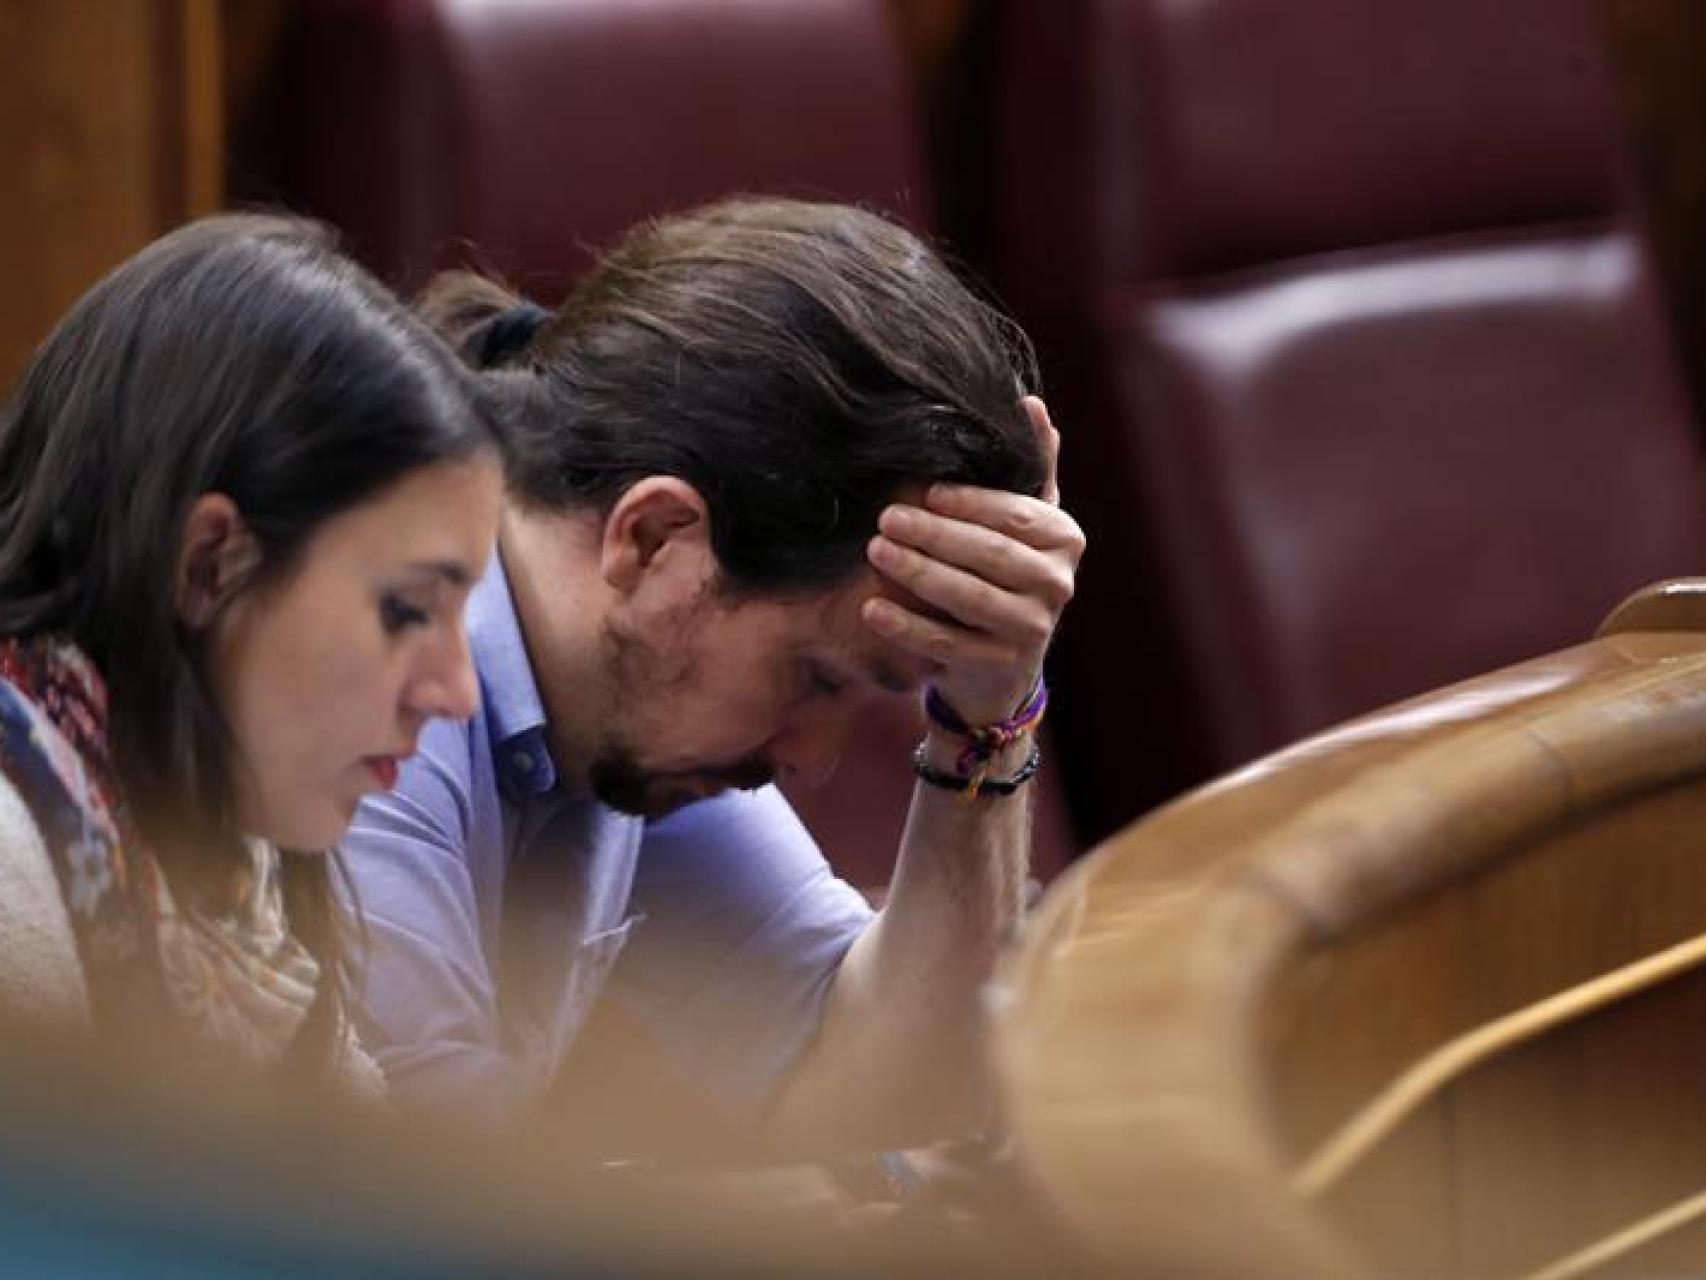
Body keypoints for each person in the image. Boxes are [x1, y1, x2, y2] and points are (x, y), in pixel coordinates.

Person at [340, 197, 1085, 1147]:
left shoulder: (620, 694)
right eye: (814, 677)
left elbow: (879, 1085)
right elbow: (424, 1222)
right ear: (651, 537)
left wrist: (990, 710)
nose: (814, 758)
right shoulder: (373, 704)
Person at [0, 215, 504, 1086]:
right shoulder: (12, 859)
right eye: (406, 609)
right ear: (209, 565)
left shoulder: (229, 859)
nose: (456, 691)